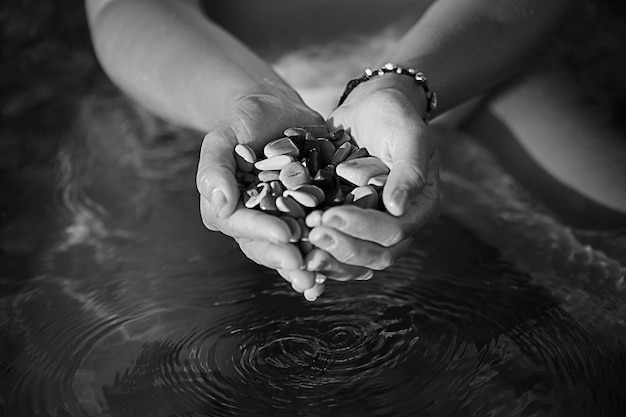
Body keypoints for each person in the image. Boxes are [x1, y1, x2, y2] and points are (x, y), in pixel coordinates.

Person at [85, 0, 572, 300]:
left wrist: (402, 88)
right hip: (199, 87)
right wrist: (248, 99)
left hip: (465, 62)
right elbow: (123, 7)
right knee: (144, 350)